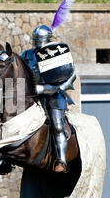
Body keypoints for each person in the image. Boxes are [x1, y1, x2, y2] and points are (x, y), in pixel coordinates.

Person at [21, 24, 76, 173]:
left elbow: (70, 77)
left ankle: (61, 160)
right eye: (36, 40)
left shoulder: (57, 53)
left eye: (40, 40)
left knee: (57, 125)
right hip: (31, 96)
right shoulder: (26, 55)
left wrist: (46, 89)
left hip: (53, 96)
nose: (37, 44)